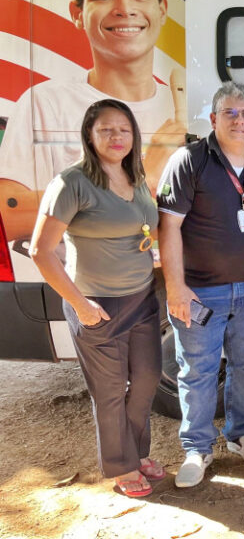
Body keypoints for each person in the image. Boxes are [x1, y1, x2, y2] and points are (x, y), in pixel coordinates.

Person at [157, 81, 244, 488]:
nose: (239, 120)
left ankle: (240, 435)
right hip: (200, 291)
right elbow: (169, 227)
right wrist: (176, 287)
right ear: (213, 119)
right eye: (230, 113)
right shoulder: (189, 160)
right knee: (197, 370)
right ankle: (197, 448)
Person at [29, 99, 163, 497]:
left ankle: (137, 452)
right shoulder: (71, 183)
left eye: (123, 129)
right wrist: (82, 306)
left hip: (141, 298)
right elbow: (41, 250)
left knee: (146, 379)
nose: (116, 136)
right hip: (96, 303)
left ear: (134, 135)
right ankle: (122, 467)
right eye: (106, 129)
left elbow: (142, 228)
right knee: (108, 391)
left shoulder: (135, 176)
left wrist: (145, 248)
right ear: (89, 135)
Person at [0, 0, 186, 241]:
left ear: (162, 11)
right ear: (77, 14)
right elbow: (8, 215)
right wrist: (144, 181)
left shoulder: (188, 108)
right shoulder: (45, 102)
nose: (125, 9)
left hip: (165, 277)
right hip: (76, 280)